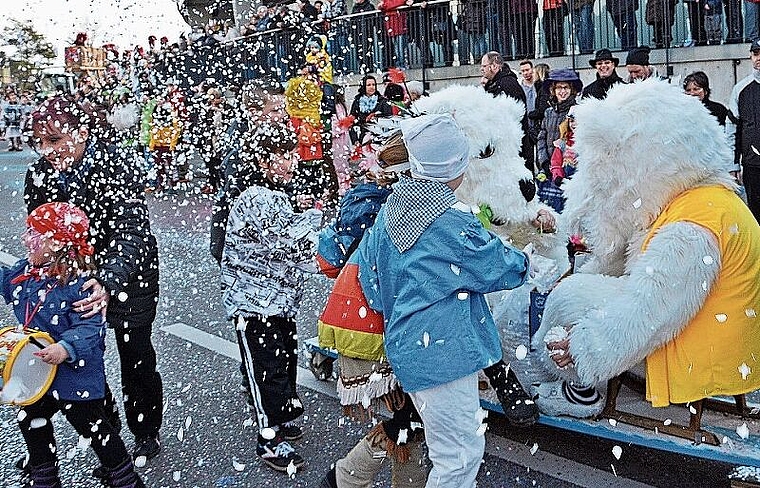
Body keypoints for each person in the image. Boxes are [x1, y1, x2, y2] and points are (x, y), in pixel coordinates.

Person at [355, 113, 531, 487]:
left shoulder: (392, 210)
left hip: (410, 347)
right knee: (459, 457)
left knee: (447, 450)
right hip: (444, 354)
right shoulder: (450, 221)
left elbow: (371, 285)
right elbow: (501, 269)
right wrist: (528, 260)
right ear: (457, 166)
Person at [25, 96, 163, 465]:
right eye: (40, 142)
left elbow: (133, 231)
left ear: (82, 133)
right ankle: (109, 431)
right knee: (84, 356)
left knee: (135, 355)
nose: (47, 151)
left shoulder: (114, 163)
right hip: (74, 280)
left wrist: (107, 279)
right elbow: (39, 232)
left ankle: (146, 430)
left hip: (130, 277)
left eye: (54, 140)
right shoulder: (39, 173)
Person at [3, 202, 144, 488]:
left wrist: (65, 348)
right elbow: (5, 280)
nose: (24, 238)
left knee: (96, 430)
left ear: (56, 243)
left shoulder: (80, 285)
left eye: (33, 232)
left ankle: (123, 477)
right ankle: (44, 476)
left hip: (74, 375)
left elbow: (91, 328)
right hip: (36, 373)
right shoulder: (26, 272)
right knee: (32, 423)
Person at [221, 123, 323, 472]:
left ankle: (278, 420)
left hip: (277, 301)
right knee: (265, 371)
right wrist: (316, 222)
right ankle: (268, 438)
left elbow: (285, 230)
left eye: (291, 153)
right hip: (253, 303)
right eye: (282, 155)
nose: (291, 161)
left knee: (282, 365)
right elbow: (285, 243)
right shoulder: (255, 196)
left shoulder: (274, 194)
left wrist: (304, 215)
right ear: (264, 161)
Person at [536, 68, 582, 212]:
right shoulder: (549, 112)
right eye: (559, 88)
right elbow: (541, 138)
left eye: (566, 87)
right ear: (553, 90)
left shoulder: (577, 112)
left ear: (572, 90)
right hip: (549, 166)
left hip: (568, 169)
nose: (562, 91)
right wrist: (544, 162)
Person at [727, 39, 760, 223]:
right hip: (753, 165)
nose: (759, 58)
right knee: (755, 216)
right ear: (750, 56)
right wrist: (733, 166)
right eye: (756, 54)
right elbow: (732, 129)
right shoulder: (740, 89)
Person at [349, 75, 393, 145]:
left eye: (373, 84)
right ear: (363, 86)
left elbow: (389, 119)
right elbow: (351, 120)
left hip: (379, 139)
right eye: (368, 85)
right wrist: (355, 140)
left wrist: (376, 116)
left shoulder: (383, 101)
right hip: (362, 138)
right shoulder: (357, 101)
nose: (372, 87)